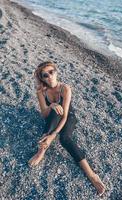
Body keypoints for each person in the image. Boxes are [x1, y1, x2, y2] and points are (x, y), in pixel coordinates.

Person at [28, 61, 105, 196]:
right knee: (53, 112)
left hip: (68, 116)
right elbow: (43, 113)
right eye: (45, 75)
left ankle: (92, 175)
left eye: (51, 72)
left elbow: (64, 116)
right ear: (42, 78)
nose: (50, 76)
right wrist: (51, 105)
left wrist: (53, 136)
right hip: (52, 117)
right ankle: (41, 151)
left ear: (56, 72)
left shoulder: (65, 88)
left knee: (65, 139)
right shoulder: (41, 91)